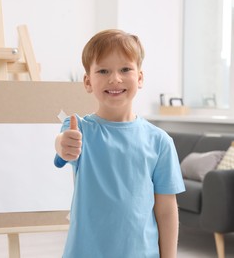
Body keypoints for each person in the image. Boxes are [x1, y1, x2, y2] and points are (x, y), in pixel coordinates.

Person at [54, 29, 185, 258]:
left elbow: (166, 210)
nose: (115, 78)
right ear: (87, 81)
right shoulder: (79, 129)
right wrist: (63, 144)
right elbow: (63, 145)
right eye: (103, 70)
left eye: (125, 69)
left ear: (140, 78)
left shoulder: (160, 141)